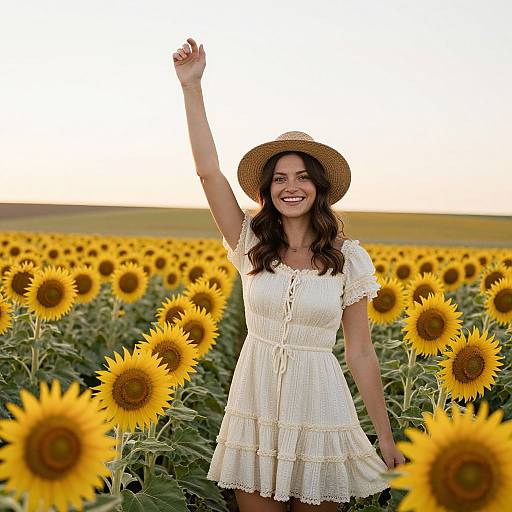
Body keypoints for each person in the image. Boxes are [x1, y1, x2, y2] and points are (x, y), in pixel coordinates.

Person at [172, 37, 405, 512]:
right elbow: (208, 172)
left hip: (320, 410)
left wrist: (384, 437)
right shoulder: (249, 244)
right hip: (256, 409)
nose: (290, 186)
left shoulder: (348, 258)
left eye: (301, 177)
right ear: (267, 189)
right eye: (279, 178)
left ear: (319, 189)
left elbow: (360, 352)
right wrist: (191, 88)